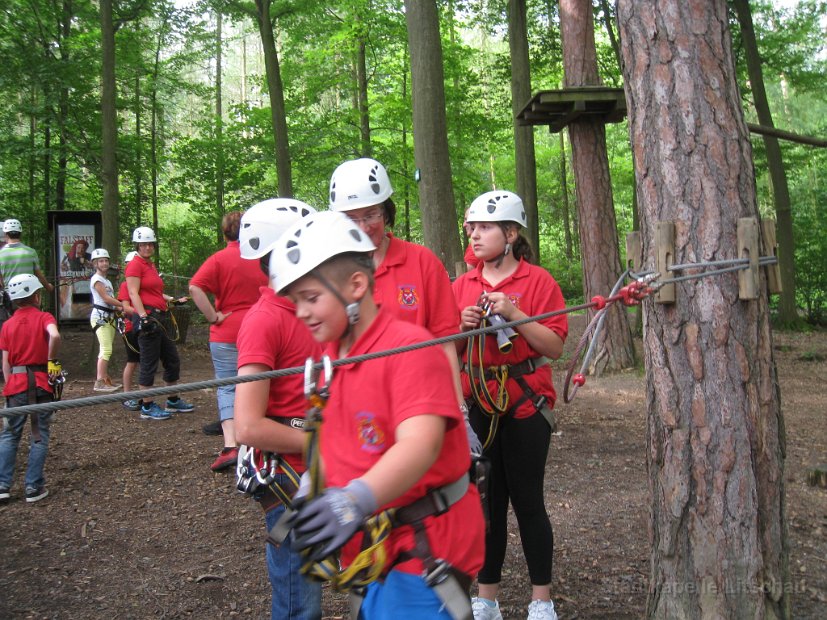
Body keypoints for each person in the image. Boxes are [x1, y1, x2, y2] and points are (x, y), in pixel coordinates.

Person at [272, 211, 485, 619]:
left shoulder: (407, 348)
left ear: (356, 286)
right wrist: (310, 489)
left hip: (426, 545)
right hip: (382, 546)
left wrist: (354, 500)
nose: (300, 312)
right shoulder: (333, 358)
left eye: (311, 297)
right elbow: (337, 441)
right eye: (295, 300)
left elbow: (420, 444)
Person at [453, 191, 568, 620]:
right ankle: (487, 597)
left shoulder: (539, 283)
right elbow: (449, 352)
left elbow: (554, 346)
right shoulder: (461, 285)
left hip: (525, 405)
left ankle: (542, 600)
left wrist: (516, 316)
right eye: (471, 227)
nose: (474, 234)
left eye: (484, 227)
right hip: (478, 403)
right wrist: (460, 329)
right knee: (487, 503)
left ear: (511, 232)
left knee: (528, 501)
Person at [328, 158, 480, 453]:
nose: (362, 227)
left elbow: (445, 341)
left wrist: (460, 411)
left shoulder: (421, 262)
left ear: (386, 212)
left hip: (421, 404)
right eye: (351, 218)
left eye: (370, 214)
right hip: (359, 412)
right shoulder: (330, 272)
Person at [233, 198, 322, 619]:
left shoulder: (313, 311)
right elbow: (248, 425)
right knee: (298, 597)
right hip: (290, 473)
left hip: (321, 464)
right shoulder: (265, 320)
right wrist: (320, 443)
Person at [189, 211, 268, 472]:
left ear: (224, 234)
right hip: (260, 327)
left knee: (227, 387)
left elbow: (194, 287)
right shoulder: (261, 257)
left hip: (226, 330)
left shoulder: (218, 259)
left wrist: (212, 316)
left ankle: (231, 445)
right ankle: (259, 442)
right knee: (261, 382)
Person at [0, 274, 62, 504]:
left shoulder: (7, 325)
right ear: (36, 296)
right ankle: (33, 487)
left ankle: (2, 485)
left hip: (16, 384)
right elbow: (54, 335)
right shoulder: (44, 317)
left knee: (9, 435)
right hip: (40, 383)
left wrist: (9, 385)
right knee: (39, 434)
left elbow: (5, 362)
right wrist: (52, 360)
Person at [125, 226, 194, 421]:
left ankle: (172, 400)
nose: (147, 247)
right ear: (137, 246)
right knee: (149, 362)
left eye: (150, 244)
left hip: (160, 317)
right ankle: (146, 405)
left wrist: (172, 299)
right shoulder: (135, 265)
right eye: (143, 244)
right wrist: (143, 316)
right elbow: (133, 293)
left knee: (172, 359)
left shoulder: (150, 265)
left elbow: (154, 292)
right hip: (147, 319)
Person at [0, 219, 54, 331]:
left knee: (14, 327)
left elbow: (1, 281)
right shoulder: (30, 252)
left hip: (12, 299)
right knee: (33, 326)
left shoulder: (1, 254)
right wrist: (48, 287)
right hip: (31, 297)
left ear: (5, 234)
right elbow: (38, 275)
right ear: (21, 233)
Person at [89, 248, 123, 392]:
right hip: (100, 318)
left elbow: (110, 301)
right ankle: (99, 382)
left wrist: (118, 308)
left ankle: (105, 379)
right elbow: (106, 298)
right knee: (106, 349)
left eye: (106, 260)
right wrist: (124, 305)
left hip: (109, 317)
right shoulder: (96, 279)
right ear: (95, 264)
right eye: (101, 261)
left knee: (107, 349)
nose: (104, 263)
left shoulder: (107, 281)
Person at [117, 252, 141, 411]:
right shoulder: (126, 285)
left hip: (140, 325)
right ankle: (126, 395)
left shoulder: (140, 283)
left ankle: (140, 395)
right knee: (132, 361)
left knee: (141, 361)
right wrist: (142, 312)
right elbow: (124, 307)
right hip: (130, 327)